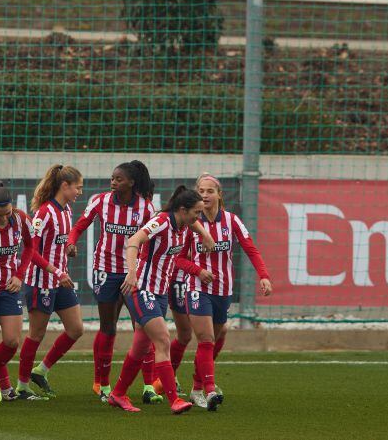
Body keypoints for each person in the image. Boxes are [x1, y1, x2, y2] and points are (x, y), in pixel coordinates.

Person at [105, 185, 215, 415]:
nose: (199, 217)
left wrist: (205, 234)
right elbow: (134, 240)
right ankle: (175, 400)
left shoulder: (183, 223)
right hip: (141, 288)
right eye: (196, 212)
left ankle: (117, 394)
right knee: (163, 340)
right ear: (183, 210)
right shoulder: (162, 221)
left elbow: (195, 224)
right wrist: (132, 272)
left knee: (140, 346)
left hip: (159, 292)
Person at [0, 184, 70, 408]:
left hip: (10, 289)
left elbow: (30, 248)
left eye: (7, 213)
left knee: (11, 341)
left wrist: (19, 275)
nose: (3, 218)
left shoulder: (21, 219)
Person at [67, 160, 162, 404]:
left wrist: (140, 269)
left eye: (118, 179)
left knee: (143, 328)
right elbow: (81, 224)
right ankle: (102, 383)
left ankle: (149, 386)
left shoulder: (146, 208)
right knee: (107, 327)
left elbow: (150, 241)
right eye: (112, 178)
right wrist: (71, 241)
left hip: (133, 273)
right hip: (106, 271)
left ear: (131, 182)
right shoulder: (100, 201)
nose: (113, 183)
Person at [183, 174, 272, 410]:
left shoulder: (232, 221)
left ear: (219, 195)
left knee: (220, 333)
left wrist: (263, 275)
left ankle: (197, 387)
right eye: (200, 191)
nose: (204, 195)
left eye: (209, 191)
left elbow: (251, 249)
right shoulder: (191, 222)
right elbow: (178, 260)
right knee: (206, 339)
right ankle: (209, 391)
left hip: (223, 289)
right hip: (197, 287)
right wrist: (198, 270)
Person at [17, 164, 85, 399]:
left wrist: (69, 248)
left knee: (76, 329)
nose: (80, 192)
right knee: (36, 334)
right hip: (41, 282)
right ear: (64, 186)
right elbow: (30, 251)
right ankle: (22, 386)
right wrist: (56, 270)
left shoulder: (66, 211)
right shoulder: (45, 213)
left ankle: (41, 370)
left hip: (60, 280)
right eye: (78, 187)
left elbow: (56, 244)